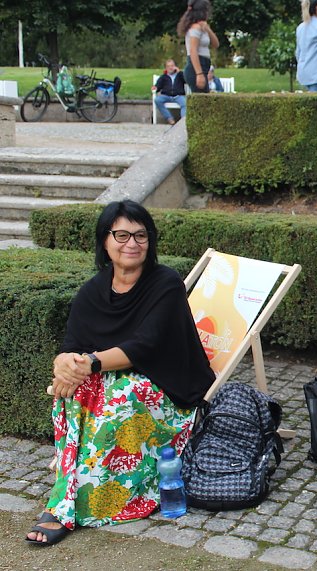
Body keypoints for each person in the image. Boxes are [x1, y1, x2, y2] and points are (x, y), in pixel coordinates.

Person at [25, 200, 215, 546]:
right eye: (122, 235)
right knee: (72, 391)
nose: (132, 243)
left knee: (118, 397)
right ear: (105, 240)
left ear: (150, 241)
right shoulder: (94, 290)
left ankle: (75, 507)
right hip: (115, 381)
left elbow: (145, 346)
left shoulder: (166, 283)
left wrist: (89, 363)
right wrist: (63, 365)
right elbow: (72, 344)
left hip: (167, 388)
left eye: (141, 235)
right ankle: (68, 494)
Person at [178, 0, 219, 94]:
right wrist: (199, 74)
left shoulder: (202, 27)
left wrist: (208, 29)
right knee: (203, 99)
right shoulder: (195, 28)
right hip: (196, 67)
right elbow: (193, 50)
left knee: (204, 98)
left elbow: (216, 44)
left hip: (204, 66)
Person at [153, 59, 187, 125]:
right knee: (157, 100)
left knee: (185, 103)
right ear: (166, 68)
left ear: (175, 66)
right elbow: (158, 85)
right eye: (168, 66)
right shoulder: (163, 77)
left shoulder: (179, 75)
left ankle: (183, 121)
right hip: (166, 96)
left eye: (172, 66)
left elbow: (186, 80)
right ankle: (169, 118)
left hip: (178, 96)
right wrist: (156, 88)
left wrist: (179, 72)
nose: (170, 68)